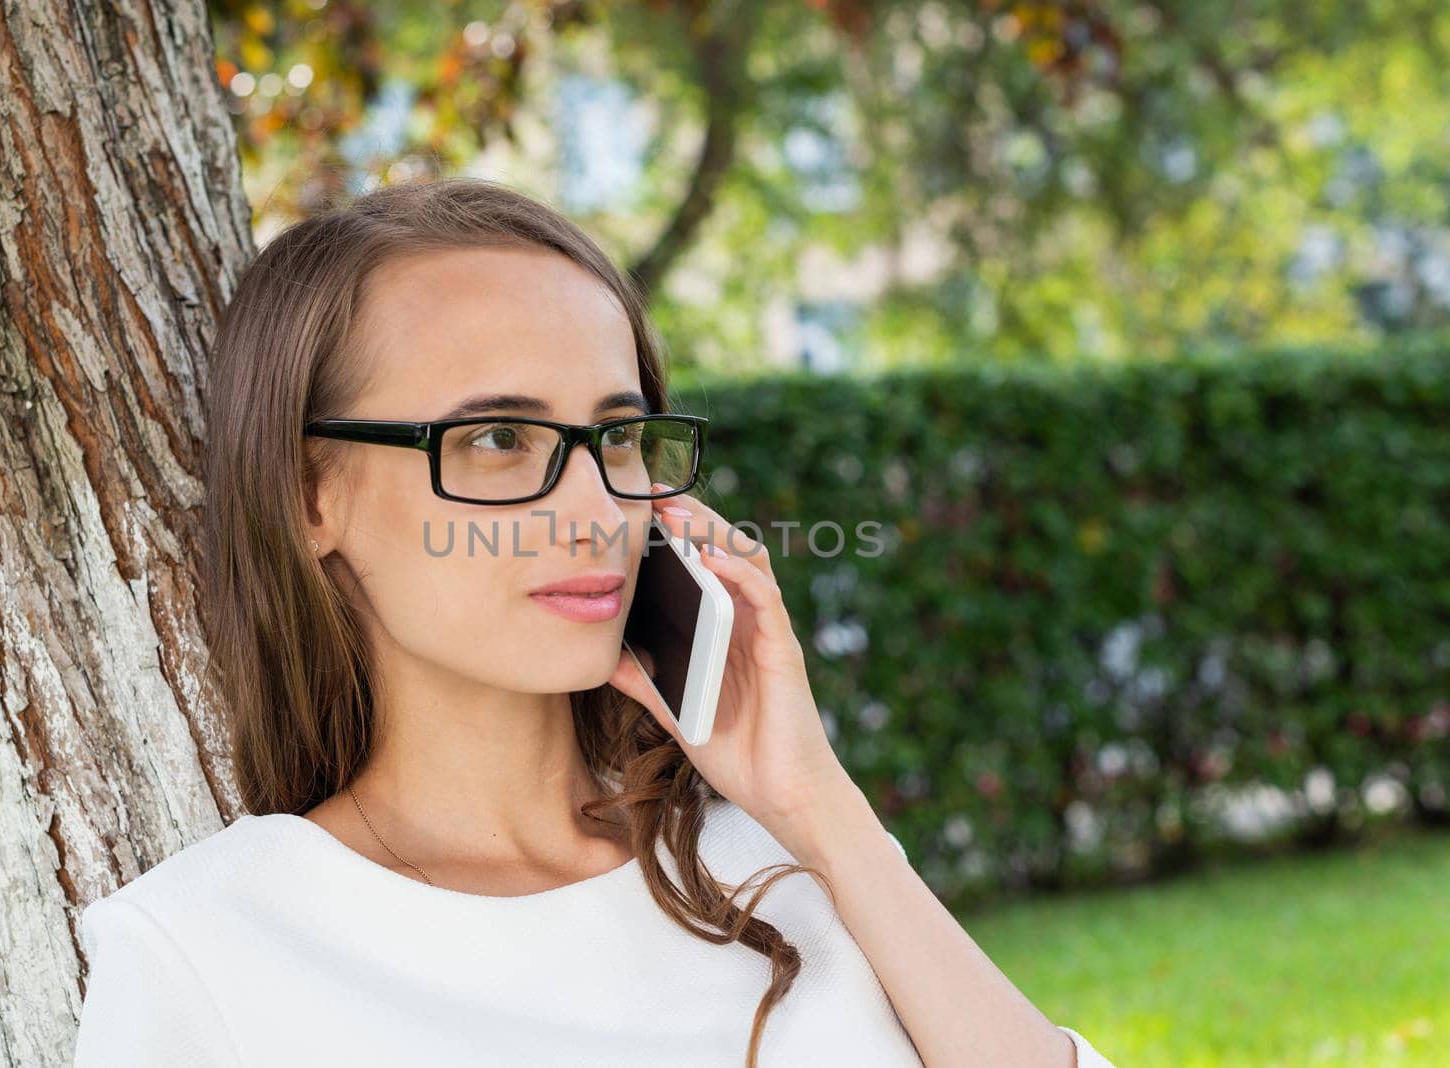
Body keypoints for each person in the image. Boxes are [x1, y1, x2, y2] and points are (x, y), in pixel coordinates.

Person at [72, 176, 1117, 1067]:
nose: (596, 511)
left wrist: (819, 807)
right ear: (310, 497)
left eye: (617, 437)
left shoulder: (787, 859)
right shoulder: (200, 953)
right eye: (495, 438)